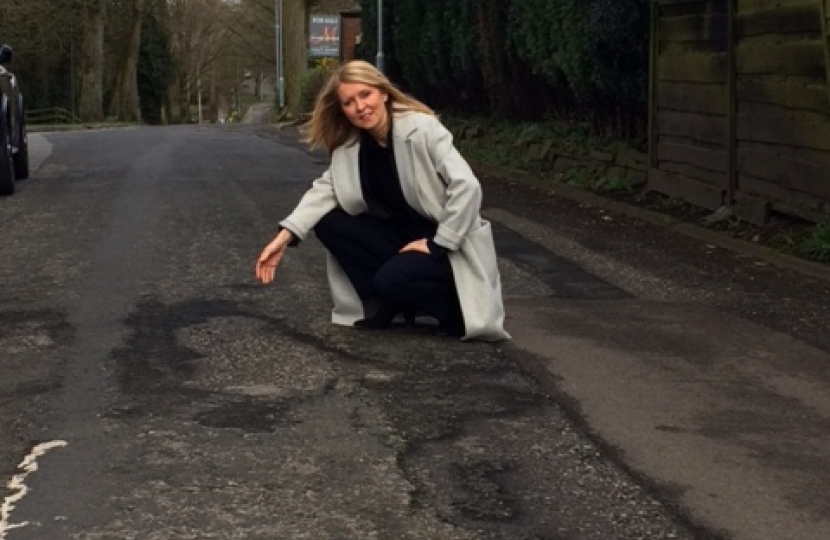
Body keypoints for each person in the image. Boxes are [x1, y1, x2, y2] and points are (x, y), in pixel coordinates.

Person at [254, 60, 510, 342]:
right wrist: (284, 237)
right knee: (328, 221)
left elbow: (467, 185)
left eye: (366, 94)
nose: (360, 107)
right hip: (402, 235)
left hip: (447, 240)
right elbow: (325, 190)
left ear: (384, 93)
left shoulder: (422, 129)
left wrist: (439, 243)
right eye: (349, 102)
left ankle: (454, 314)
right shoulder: (351, 144)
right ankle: (389, 299)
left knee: (391, 279)